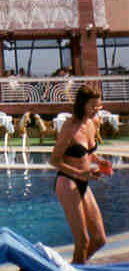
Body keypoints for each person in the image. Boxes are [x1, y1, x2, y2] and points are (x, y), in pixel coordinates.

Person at [50, 84, 108, 263]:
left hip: (83, 182)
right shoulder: (70, 127)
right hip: (67, 182)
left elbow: (88, 152)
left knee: (99, 239)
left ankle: (73, 267)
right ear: (81, 104)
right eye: (92, 106)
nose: (96, 110)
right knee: (82, 241)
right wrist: (80, 174)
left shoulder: (93, 123)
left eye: (98, 106)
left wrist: (99, 161)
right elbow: (54, 160)